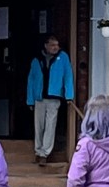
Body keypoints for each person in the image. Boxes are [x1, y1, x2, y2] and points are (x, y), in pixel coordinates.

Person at [26, 35, 73, 166]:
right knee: (39, 125)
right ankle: (38, 150)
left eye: (57, 45)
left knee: (50, 125)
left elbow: (68, 75)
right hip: (39, 97)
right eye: (52, 45)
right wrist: (30, 100)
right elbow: (31, 80)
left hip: (54, 97)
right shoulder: (37, 59)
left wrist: (69, 95)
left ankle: (44, 154)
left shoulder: (63, 57)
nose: (55, 48)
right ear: (46, 46)